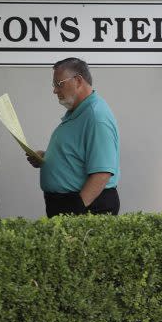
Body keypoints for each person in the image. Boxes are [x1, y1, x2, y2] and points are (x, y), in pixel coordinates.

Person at [27, 57, 121, 217]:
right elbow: (77, 153)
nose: (55, 90)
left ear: (78, 81)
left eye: (59, 84)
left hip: (86, 207)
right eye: (54, 85)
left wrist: (75, 210)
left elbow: (102, 173)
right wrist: (47, 158)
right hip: (71, 204)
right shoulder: (79, 112)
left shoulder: (96, 116)